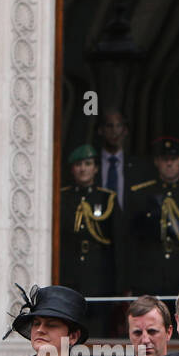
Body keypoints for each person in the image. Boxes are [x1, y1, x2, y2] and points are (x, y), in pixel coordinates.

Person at [59, 143, 119, 336]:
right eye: (78, 165)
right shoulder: (62, 197)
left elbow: (118, 243)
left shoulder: (106, 199)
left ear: (95, 168)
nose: (83, 168)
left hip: (98, 275)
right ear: (72, 169)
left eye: (87, 163)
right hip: (70, 273)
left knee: (97, 329)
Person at [126, 137, 179, 296]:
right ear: (157, 162)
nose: (169, 164)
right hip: (150, 275)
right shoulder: (141, 194)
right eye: (165, 159)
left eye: (174, 159)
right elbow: (132, 241)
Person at [96, 110, 141, 207]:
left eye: (119, 126)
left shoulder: (137, 166)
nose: (114, 131)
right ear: (100, 130)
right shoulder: (92, 163)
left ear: (125, 131)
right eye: (109, 126)